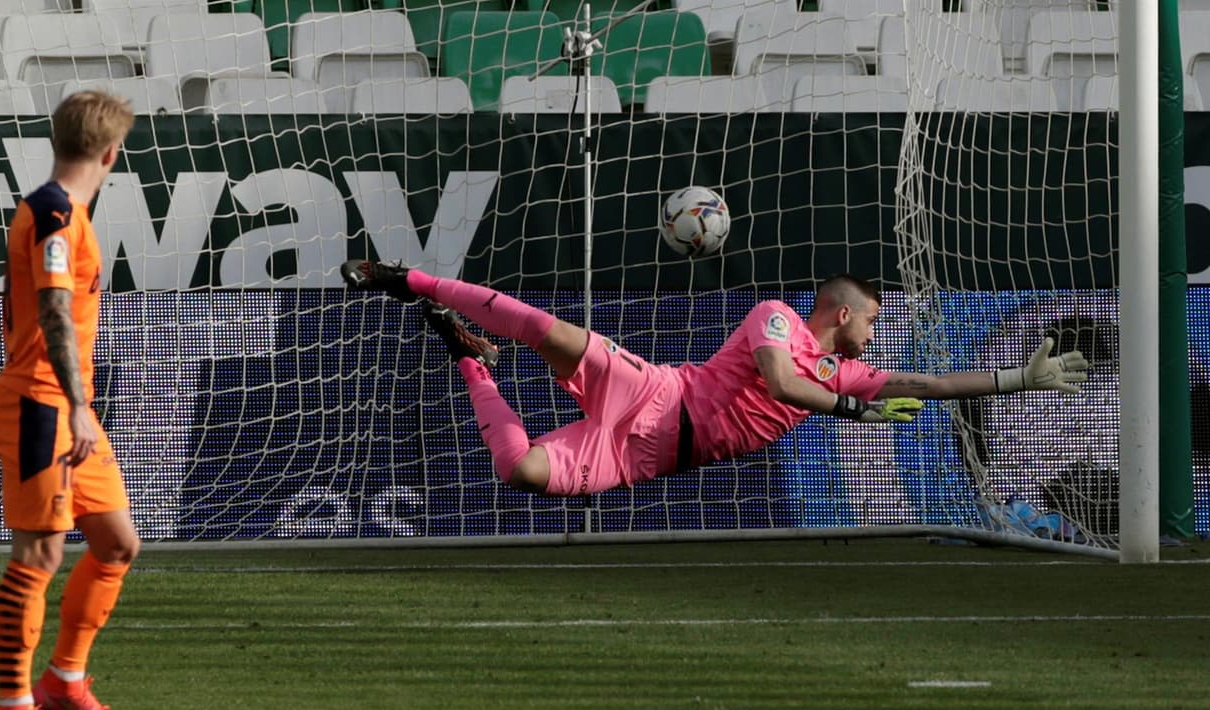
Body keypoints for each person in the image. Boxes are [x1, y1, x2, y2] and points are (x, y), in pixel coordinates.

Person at [342, 260, 1089, 497]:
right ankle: (409, 279)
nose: (874, 332)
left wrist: (1013, 378)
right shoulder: (776, 320)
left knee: (521, 471)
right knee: (549, 330)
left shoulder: (844, 370)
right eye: (871, 319)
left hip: (647, 455)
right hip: (656, 392)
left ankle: (470, 358)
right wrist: (851, 410)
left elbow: (927, 385)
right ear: (842, 310)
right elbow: (781, 384)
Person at [0, 91, 139, 710]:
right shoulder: (54, 213)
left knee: (116, 542)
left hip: (61, 405)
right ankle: (13, 706)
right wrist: (76, 405)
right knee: (40, 552)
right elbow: (52, 311)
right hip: (41, 405)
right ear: (111, 153)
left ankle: (65, 680)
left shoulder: (65, 212)